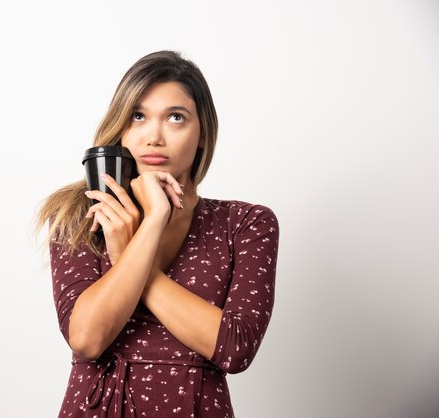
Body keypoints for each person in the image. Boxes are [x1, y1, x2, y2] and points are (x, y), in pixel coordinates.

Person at [37, 50, 280, 417]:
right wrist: (150, 226)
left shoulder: (245, 224)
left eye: (176, 118)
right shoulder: (82, 214)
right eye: (138, 116)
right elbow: (86, 339)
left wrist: (132, 255)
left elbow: (234, 347)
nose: (153, 137)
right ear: (121, 125)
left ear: (202, 134)